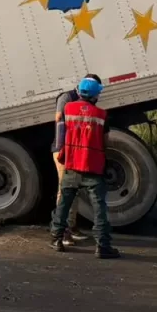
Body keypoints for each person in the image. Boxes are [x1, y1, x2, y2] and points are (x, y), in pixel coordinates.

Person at [50, 74, 120, 258]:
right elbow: (105, 143)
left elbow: (60, 133)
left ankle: (57, 239)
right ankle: (102, 246)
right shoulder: (101, 115)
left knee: (64, 203)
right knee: (99, 207)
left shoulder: (68, 108)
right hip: (93, 166)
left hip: (72, 164)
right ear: (95, 95)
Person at [51, 83, 87, 245]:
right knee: (64, 189)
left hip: (74, 149)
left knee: (74, 188)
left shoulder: (82, 100)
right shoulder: (66, 97)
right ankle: (61, 231)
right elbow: (59, 118)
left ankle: (71, 227)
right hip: (63, 150)